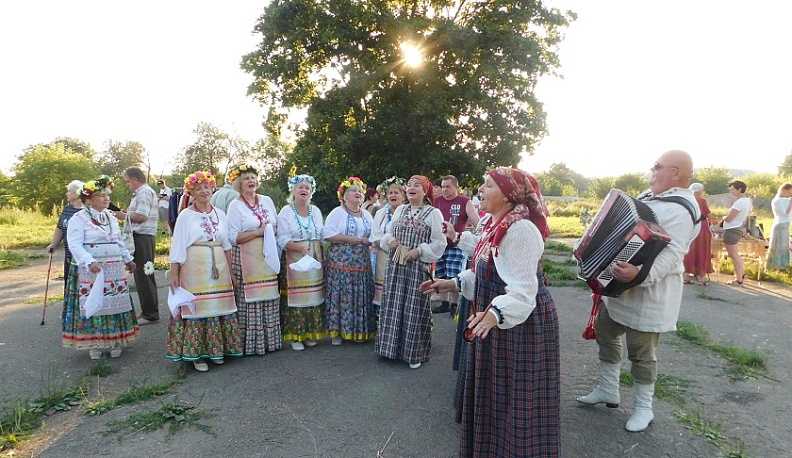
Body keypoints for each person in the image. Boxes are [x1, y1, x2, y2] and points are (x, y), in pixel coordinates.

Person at [419, 167, 559, 456]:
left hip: (519, 324)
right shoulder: (495, 223)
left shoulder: (520, 230)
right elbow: (486, 272)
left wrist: (494, 314)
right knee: (496, 391)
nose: (481, 190)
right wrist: (452, 283)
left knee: (514, 394)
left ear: (508, 195)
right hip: (493, 318)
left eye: (489, 185)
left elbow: (522, 291)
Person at [577, 150, 701, 433]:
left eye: (658, 166)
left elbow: (673, 255)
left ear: (676, 173)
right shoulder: (649, 197)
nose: (652, 170)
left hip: (650, 293)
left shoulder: (683, 209)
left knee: (641, 353)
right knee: (605, 333)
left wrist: (640, 273)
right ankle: (608, 389)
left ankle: (644, 408)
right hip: (618, 288)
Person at [166, 171, 243, 372]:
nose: (203, 191)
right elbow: (178, 245)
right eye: (198, 188)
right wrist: (174, 273)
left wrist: (231, 273)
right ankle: (197, 355)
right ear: (191, 192)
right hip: (195, 268)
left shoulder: (220, 214)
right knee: (198, 309)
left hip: (219, 267)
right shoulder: (186, 216)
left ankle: (217, 351)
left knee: (217, 306)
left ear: (212, 189)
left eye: (206, 187)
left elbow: (227, 245)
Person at [63, 175, 139, 360]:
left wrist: (128, 259)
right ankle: (95, 344)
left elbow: (117, 240)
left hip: (113, 268)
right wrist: (89, 261)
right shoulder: (78, 218)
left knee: (113, 303)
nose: (106, 198)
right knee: (94, 303)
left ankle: (115, 341)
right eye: (101, 195)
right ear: (89, 199)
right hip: (92, 269)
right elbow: (74, 244)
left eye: (107, 195)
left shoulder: (110, 217)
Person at [375, 175, 446, 369]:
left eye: (417, 185)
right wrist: (389, 240)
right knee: (393, 304)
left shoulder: (433, 213)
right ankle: (389, 350)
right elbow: (388, 233)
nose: (412, 188)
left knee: (414, 307)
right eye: (409, 185)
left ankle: (413, 353)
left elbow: (440, 243)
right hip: (396, 265)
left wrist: (419, 251)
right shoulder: (400, 209)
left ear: (425, 191)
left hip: (417, 267)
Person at [226, 164, 282, 355]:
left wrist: (271, 230)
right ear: (238, 183)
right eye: (246, 178)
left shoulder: (266, 200)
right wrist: (258, 232)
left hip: (267, 258)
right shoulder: (235, 205)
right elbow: (233, 237)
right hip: (246, 259)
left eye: (253, 177)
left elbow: (276, 225)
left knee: (269, 297)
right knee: (250, 301)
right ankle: (250, 345)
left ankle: (270, 342)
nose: (251, 181)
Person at [322, 176, 376, 345]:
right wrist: (347, 239)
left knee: (360, 294)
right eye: (353, 190)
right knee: (342, 294)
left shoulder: (367, 215)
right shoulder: (338, 212)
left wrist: (369, 240)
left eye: (360, 191)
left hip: (361, 262)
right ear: (344, 196)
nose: (358, 193)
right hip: (340, 263)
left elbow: (375, 234)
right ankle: (338, 331)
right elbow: (327, 234)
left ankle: (358, 331)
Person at [277, 174, 326, 351]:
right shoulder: (286, 212)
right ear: (293, 190)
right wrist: (298, 248)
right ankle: (295, 336)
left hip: (314, 258)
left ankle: (310, 333)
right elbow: (282, 239)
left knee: (313, 295)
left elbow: (322, 237)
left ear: (311, 192)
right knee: (297, 297)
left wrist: (323, 256)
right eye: (300, 187)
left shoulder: (316, 211)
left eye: (307, 188)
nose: (304, 190)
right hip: (295, 258)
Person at [116, 167, 160, 325]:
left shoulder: (143, 193)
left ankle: (150, 313)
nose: (127, 185)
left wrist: (123, 216)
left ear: (135, 179)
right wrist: (127, 214)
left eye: (128, 181)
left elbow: (141, 216)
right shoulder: (143, 193)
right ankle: (148, 310)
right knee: (142, 274)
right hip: (143, 237)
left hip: (142, 237)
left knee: (144, 274)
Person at [432, 175, 480, 315]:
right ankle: (444, 303)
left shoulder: (464, 201)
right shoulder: (436, 201)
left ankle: (454, 305)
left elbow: (478, 222)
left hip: (456, 245)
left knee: (454, 275)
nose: (445, 190)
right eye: (443, 187)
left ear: (456, 187)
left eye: (448, 187)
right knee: (441, 274)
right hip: (439, 245)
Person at [370, 176, 407, 313]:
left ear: (404, 196)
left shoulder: (408, 213)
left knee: (400, 291)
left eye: (396, 192)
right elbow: (374, 235)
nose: (393, 195)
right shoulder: (381, 213)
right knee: (383, 292)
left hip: (402, 256)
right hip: (383, 257)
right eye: (390, 193)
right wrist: (384, 243)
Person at [47, 180, 84, 282]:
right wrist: (54, 244)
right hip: (68, 255)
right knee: (68, 283)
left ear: (77, 193)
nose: (67, 194)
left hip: (82, 255)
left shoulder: (87, 211)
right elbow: (60, 227)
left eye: (69, 191)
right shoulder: (67, 209)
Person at [719, 180, 752, 286]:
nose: (731, 192)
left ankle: (739, 280)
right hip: (737, 227)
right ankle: (741, 274)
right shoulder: (747, 201)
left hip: (732, 229)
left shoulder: (739, 202)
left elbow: (729, 218)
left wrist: (723, 218)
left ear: (739, 189)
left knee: (733, 255)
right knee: (735, 254)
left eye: (733, 189)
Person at [683, 183, 713, 284]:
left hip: (689, 226)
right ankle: (701, 275)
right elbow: (708, 215)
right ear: (700, 191)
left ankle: (687, 275)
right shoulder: (702, 201)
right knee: (702, 249)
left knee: (689, 250)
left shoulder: (687, 199)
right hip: (701, 227)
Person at [765, 183, 792, 270]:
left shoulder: (784, 200)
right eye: (788, 192)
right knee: (779, 246)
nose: (789, 195)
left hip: (785, 225)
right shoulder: (777, 200)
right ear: (783, 190)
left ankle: (783, 265)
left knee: (784, 245)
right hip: (780, 224)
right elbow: (786, 213)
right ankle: (777, 265)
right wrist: (790, 202)